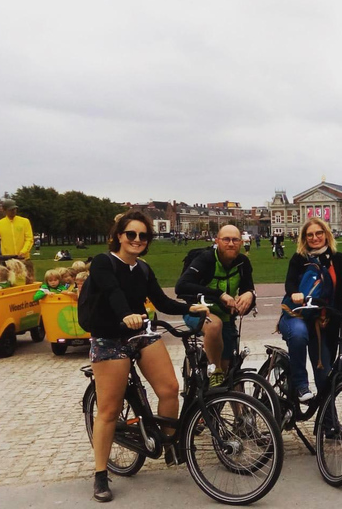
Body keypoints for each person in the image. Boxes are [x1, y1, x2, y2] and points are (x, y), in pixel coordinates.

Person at [87, 210, 208, 502]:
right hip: (109, 337)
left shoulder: (142, 268)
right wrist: (125, 314)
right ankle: (100, 474)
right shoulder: (105, 262)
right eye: (131, 234)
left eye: (143, 235)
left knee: (169, 389)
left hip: (140, 332)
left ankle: (168, 443)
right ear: (119, 235)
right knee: (108, 410)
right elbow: (113, 292)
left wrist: (188, 308)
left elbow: (161, 300)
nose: (137, 240)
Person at [279, 217, 342, 406]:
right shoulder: (300, 258)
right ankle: (300, 385)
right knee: (299, 335)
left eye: (319, 233)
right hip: (297, 315)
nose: (315, 238)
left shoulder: (338, 259)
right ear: (304, 238)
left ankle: (329, 426)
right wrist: (294, 293)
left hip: (325, 323)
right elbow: (289, 283)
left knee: (325, 376)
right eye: (310, 235)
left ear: (326, 234)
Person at [176, 225, 256, 386]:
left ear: (241, 242)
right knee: (214, 326)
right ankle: (214, 370)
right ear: (217, 241)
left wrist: (249, 294)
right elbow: (181, 286)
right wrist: (219, 295)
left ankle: (237, 408)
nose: (231, 244)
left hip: (224, 314)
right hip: (197, 311)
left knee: (230, 367)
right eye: (226, 239)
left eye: (235, 240)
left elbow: (248, 288)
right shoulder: (206, 259)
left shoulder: (242, 262)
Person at [0, 199, 33, 264]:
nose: (13, 211)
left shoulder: (25, 221)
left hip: (23, 258)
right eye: (11, 210)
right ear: (4, 210)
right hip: (7, 260)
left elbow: (29, 239)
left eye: (15, 209)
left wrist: (23, 251)